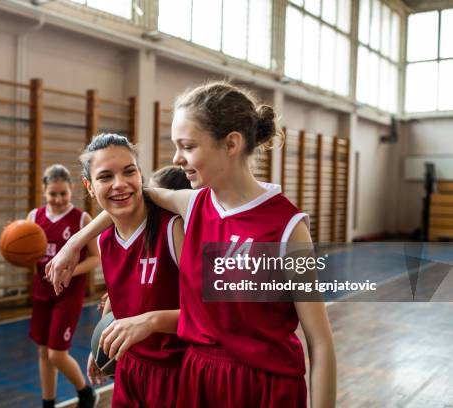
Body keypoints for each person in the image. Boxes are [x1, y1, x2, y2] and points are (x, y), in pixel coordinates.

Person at [46, 82, 336, 408]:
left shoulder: (288, 228)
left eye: (187, 146)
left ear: (231, 144)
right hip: (198, 380)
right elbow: (131, 197)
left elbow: (320, 342)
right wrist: (74, 243)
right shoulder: (193, 205)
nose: (176, 159)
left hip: (263, 388)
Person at [80, 134, 186, 408]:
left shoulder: (173, 229)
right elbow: (119, 296)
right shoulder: (105, 240)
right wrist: (102, 342)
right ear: (89, 187)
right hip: (130, 371)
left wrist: (149, 322)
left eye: (129, 171)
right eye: (105, 177)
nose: (120, 184)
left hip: (178, 373)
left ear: (141, 175)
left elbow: (210, 318)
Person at [26, 164, 100, 408]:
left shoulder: (81, 219)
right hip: (41, 292)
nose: (58, 199)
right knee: (43, 351)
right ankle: (48, 403)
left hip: (68, 293)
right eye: (53, 194)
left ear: (71, 191)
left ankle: (86, 392)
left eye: (63, 194)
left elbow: (96, 257)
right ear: (44, 191)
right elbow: (28, 256)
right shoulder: (33, 218)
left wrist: (69, 270)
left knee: (57, 353)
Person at [96, 165, 191, 312]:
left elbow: (207, 314)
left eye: (154, 198)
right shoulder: (109, 237)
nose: (146, 203)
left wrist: (151, 321)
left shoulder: (175, 230)